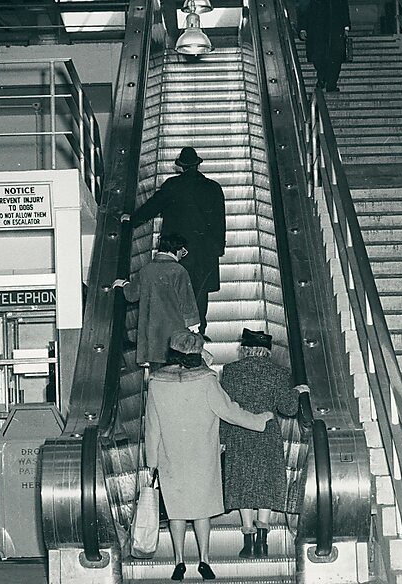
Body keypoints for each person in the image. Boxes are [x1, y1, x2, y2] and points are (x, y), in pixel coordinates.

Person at [145, 331, 273, 580]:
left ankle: (179, 562)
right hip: (202, 455)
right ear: (198, 352)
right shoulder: (206, 380)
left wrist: (152, 461)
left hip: (169, 455)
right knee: (202, 511)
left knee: (177, 512)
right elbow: (229, 411)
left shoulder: (156, 383)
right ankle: (204, 560)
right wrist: (259, 420)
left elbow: (152, 426)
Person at [218, 328, 310, 558]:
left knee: (242, 483)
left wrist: (222, 438)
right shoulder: (279, 372)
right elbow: (288, 409)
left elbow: (224, 408)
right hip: (267, 433)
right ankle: (263, 540)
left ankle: (248, 541)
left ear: (245, 348)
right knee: (266, 482)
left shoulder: (230, 371)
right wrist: (297, 391)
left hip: (238, 432)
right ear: (267, 351)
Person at [123, 147, 225, 338]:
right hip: (205, 253)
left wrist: (132, 220)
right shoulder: (213, 187)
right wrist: (217, 249)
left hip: (177, 250)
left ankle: (177, 337)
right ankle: (198, 334)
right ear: (197, 165)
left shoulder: (173, 185)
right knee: (199, 293)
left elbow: (153, 207)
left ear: (181, 167)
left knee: (175, 292)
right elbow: (220, 221)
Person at [112, 234, 200, 371]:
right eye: (183, 251)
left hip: (152, 337)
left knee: (156, 374)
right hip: (175, 335)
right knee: (176, 372)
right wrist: (194, 325)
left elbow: (131, 296)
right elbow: (187, 301)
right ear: (177, 250)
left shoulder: (146, 270)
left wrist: (124, 284)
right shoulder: (178, 271)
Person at [297, 0, 351, 93]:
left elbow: (343, 4)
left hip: (334, 26)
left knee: (335, 56)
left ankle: (330, 83)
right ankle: (323, 78)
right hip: (317, 27)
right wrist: (302, 28)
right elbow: (303, 7)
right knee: (318, 55)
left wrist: (346, 26)